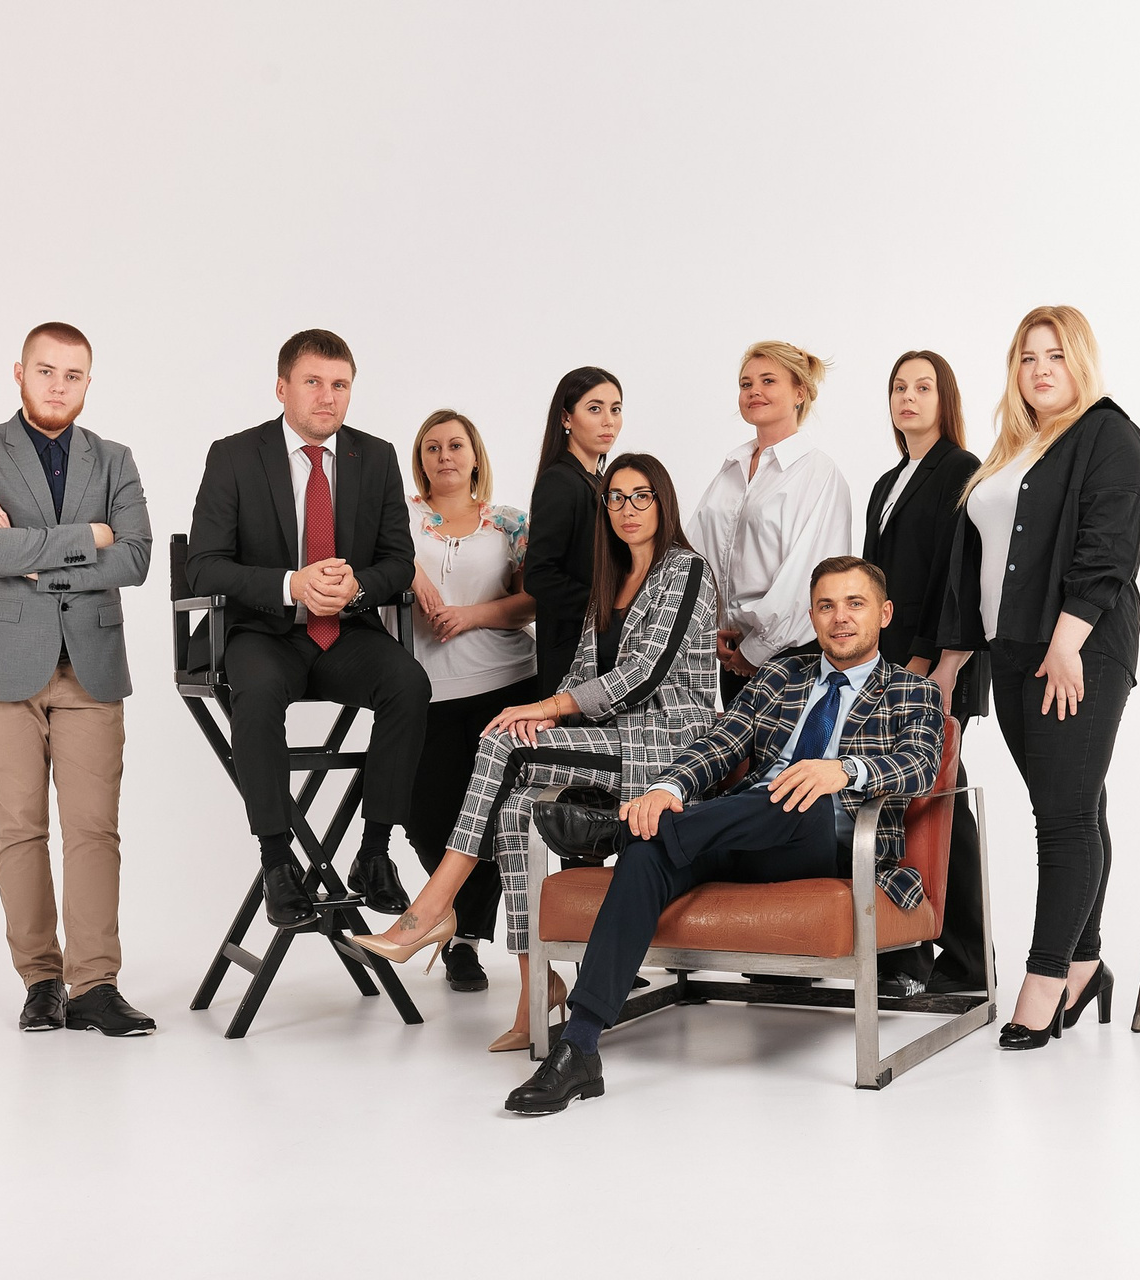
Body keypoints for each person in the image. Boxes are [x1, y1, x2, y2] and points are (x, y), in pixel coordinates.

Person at [503, 556, 945, 1115]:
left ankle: (616, 830)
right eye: (826, 606)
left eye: (855, 604)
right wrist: (665, 787)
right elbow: (720, 743)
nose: (840, 618)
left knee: (798, 792)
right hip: (741, 828)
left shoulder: (912, 691)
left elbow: (919, 765)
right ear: (812, 616)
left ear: (884, 613)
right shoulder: (782, 676)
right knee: (648, 854)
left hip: (828, 844)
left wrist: (842, 770)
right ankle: (580, 1048)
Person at [354, 454, 718, 1052]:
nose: (627, 509)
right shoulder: (609, 576)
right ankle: (535, 991)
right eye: (616, 498)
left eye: (641, 496)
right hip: (612, 739)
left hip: (670, 740)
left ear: (664, 503)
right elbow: (582, 670)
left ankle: (432, 907)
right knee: (516, 806)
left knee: (506, 743)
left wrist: (546, 708)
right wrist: (542, 713)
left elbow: (645, 674)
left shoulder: (686, 570)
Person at [934, 305, 1140, 1051]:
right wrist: (954, 661)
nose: (1040, 370)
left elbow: (1109, 547)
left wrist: (1067, 642)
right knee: (1075, 807)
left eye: (1055, 355)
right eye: (1027, 357)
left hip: (1077, 650)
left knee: (1060, 820)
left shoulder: (1108, 435)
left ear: (1081, 360)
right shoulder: (1015, 449)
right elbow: (975, 566)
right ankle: (1085, 965)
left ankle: (1044, 980)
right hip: (1012, 651)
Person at [0, 321, 156, 1035]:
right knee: (19, 829)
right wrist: (89, 536)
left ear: (88, 382)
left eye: (73, 375)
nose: (58, 386)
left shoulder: (116, 460)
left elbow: (136, 559)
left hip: (91, 667)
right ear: (20, 372)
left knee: (95, 830)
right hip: (2, 665)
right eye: (46, 371)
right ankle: (41, 981)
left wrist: (34, 558)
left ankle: (94, 985)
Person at [186, 329, 429, 932]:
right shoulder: (234, 455)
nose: (327, 396)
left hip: (345, 632)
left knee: (409, 684)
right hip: (263, 631)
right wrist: (290, 584)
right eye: (313, 382)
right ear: (282, 388)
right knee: (258, 694)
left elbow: (399, 561)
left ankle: (374, 853)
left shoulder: (376, 456)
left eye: (340, 385)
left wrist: (358, 587)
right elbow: (203, 565)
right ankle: (277, 863)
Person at [862, 349, 989, 997]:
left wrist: (923, 663)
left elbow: (955, 577)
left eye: (923, 387)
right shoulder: (888, 482)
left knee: (941, 802)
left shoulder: (961, 469)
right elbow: (870, 580)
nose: (908, 398)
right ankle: (903, 951)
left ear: (946, 400)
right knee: (891, 805)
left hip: (936, 666)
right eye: (899, 387)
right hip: (884, 666)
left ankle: (967, 956)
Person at [402, 409, 537, 996]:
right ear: (421, 460)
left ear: (475, 455)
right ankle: (450, 914)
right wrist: (413, 572)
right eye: (432, 447)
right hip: (425, 688)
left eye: (455, 445)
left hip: (507, 683)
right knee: (425, 816)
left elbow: (533, 601)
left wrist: (471, 616)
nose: (444, 456)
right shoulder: (400, 517)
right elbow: (371, 555)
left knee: (493, 819)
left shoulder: (509, 522)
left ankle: (465, 942)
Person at [687, 340, 852, 708]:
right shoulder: (731, 468)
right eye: (746, 384)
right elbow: (695, 551)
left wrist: (756, 648)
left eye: (768, 381)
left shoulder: (818, 473)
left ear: (800, 393)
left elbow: (809, 577)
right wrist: (708, 630)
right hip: (731, 651)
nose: (754, 391)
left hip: (790, 656)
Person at [524, 367, 622, 699]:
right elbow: (539, 575)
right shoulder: (560, 481)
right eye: (595, 408)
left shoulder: (599, 481)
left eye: (615, 409)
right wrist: (608, 609)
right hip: (572, 654)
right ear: (566, 417)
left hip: (597, 647)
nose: (608, 420)